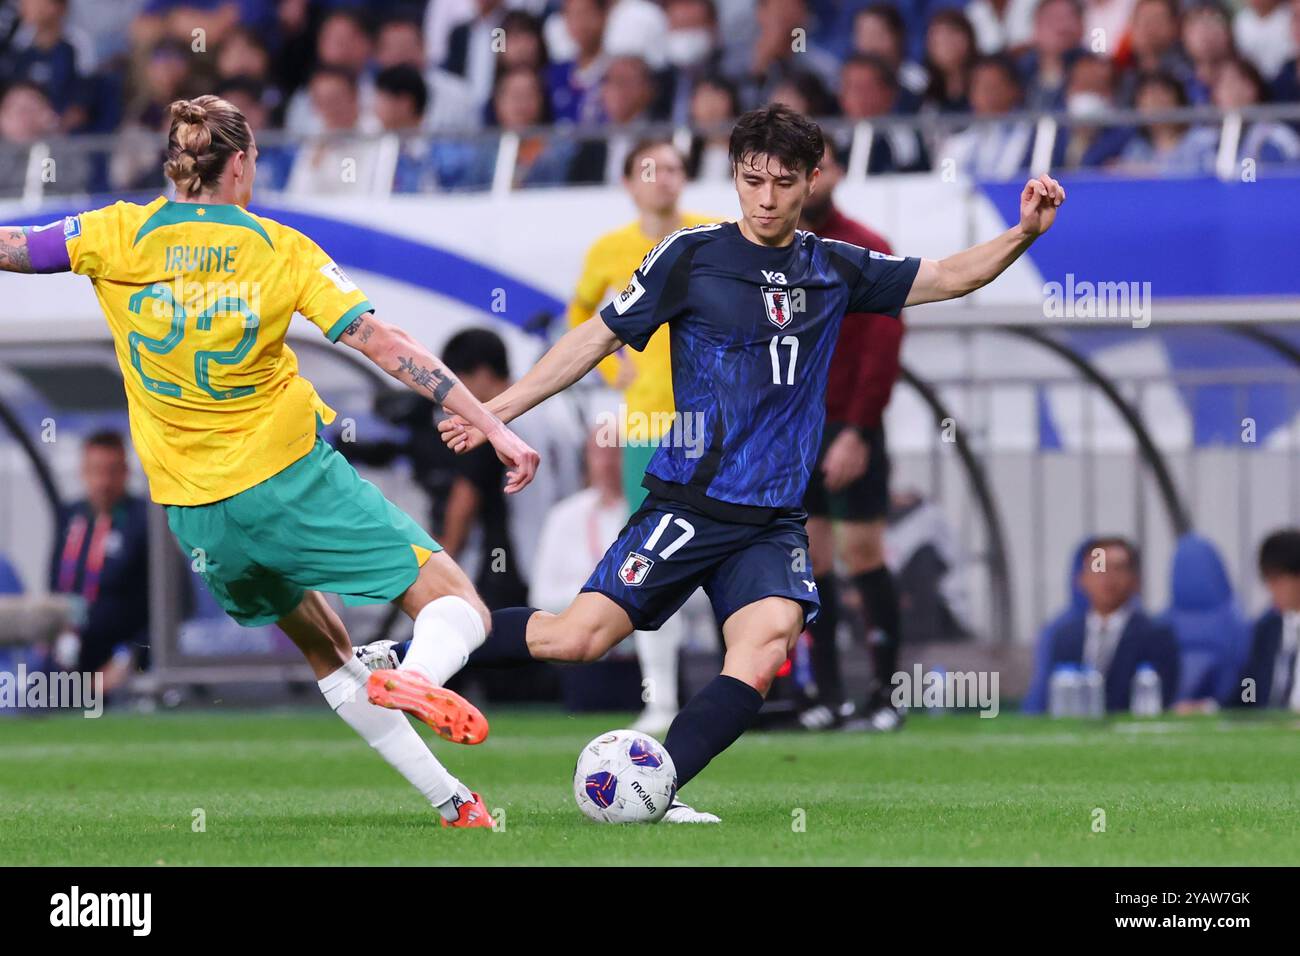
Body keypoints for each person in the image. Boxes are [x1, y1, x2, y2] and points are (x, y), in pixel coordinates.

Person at [433, 104, 1066, 821]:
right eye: (751, 180)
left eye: (783, 182)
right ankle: (413, 654)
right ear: (734, 176)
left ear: (813, 181)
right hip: (686, 504)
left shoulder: (834, 267)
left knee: (763, 652)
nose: (765, 199)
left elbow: (949, 276)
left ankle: (656, 787)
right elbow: (597, 337)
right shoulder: (691, 256)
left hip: (769, 523)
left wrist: (1021, 233)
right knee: (575, 638)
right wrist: (499, 410)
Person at [0, 94, 539, 829]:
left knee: (332, 655)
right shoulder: (278, 248)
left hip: (196, 516)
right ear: (243, 163)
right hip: (285, 481)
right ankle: (413, 673)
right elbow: (387, 345)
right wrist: (494, 424)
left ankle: (453, 802)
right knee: (460, 607)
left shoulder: (114, 233)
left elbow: (11, 247)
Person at [564, 138, 715, 732]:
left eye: (674, 168)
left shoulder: (713, 234)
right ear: (628, 182)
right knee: (649, 562)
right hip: (649, 424)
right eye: (651, 170)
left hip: (717, 422)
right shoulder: (610, 250)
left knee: (730, 554)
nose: (663, 179)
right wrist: (608, 365)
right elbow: (579, 315)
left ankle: (744, 689)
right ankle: (662, 701)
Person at [797, 143, 907, 733]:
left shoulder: (866, 248)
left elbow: (881, 345)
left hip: (848, 423)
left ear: (833, 175)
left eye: (818, 169)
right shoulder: (770, 251)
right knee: (809, 560)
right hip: (792, 427)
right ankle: (829, 694)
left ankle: (887, 695)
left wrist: (858, 431)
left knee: (863, 552)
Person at [1029, 536, 1180, 712]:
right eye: (1098, 568)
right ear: (1081, 579)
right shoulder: (1063, 636)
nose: (1108, 577)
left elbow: (1162, 698)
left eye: (1118, 568)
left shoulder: (1157, 636)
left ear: (1135, 580)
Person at [48, 431, 150, 689]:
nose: (103, 482)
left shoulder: (144, 522)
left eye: (111, 471)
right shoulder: (70, 516)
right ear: (83, 471)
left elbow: (171, 605)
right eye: (96, 471)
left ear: (126, 472)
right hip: (67, 653)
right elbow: (54, 585)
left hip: (121, 660)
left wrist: (128, 658)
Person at [1232, 529, 1300, 709]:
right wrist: (1212, 707)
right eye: (1268, 580)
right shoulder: (1267, 628)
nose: (1271, 590)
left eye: (1278, 580)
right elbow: (1249, 686)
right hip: (1270, 727)